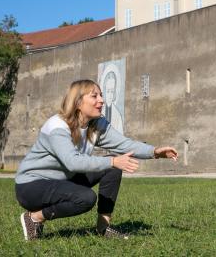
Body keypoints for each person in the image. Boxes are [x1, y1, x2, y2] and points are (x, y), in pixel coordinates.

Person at [14, 79, 179, 241]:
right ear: (78, 102)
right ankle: (34, 218)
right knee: (86, 198)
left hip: (63, 181)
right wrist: (113, 161)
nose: (101, 100)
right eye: (94, 96)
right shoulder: (57, 126)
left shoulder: (96, 124)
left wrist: (154, 151)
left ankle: (103, 227)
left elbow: (123, 144)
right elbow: (73, 162)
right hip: (31, 187)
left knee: (112, 169)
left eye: (101, 95)